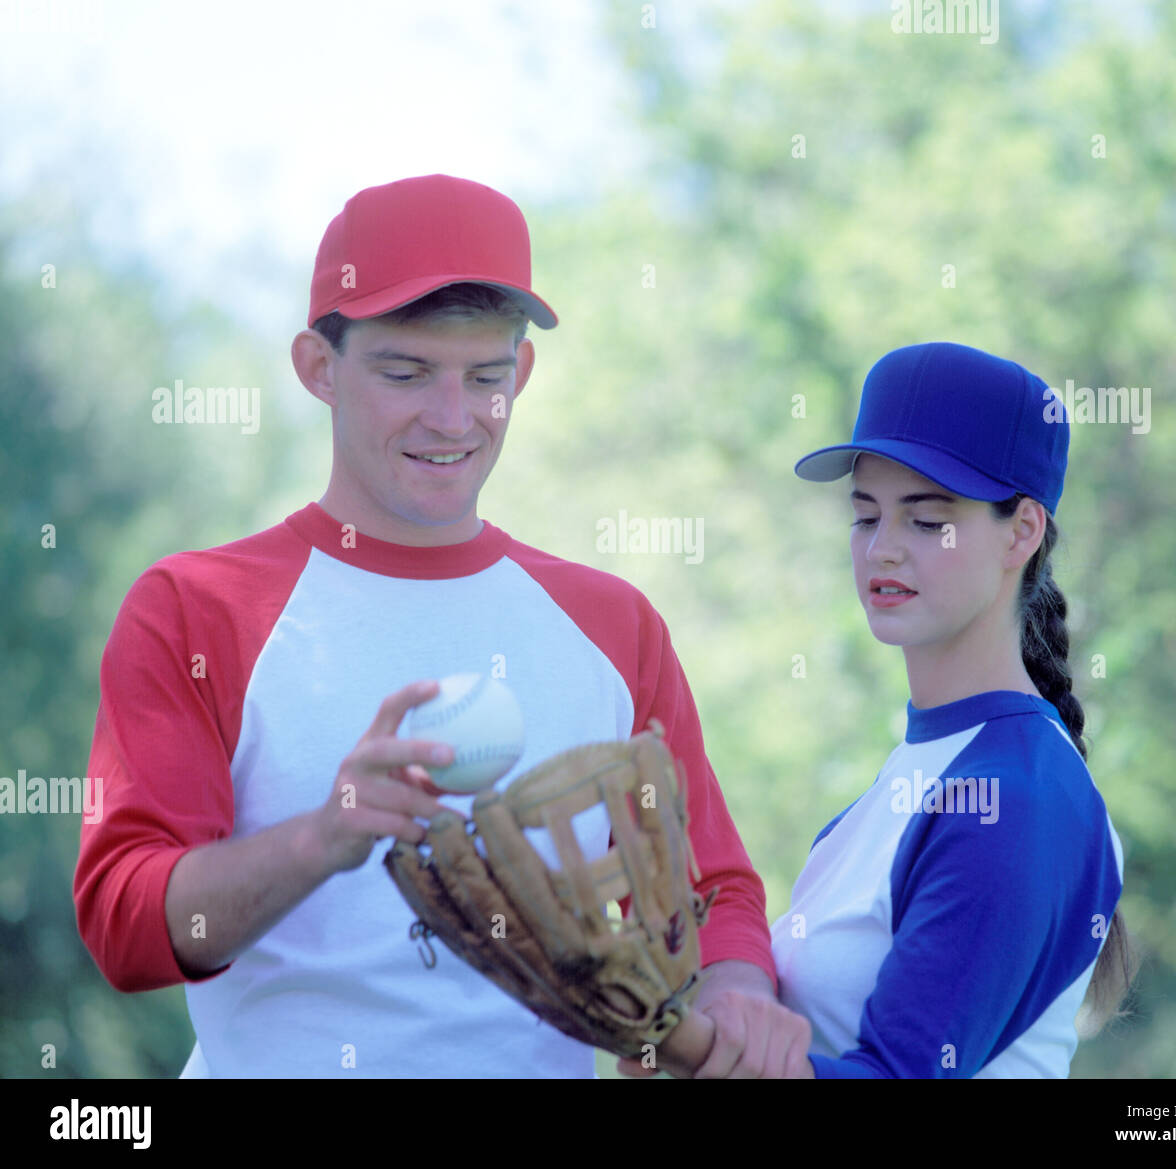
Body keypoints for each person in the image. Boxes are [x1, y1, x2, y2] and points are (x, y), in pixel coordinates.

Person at [73, 174, 809, 1078]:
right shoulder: (197, 605)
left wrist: (736, 991)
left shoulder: (614, 624)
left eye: (486, 376)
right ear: (318, 367)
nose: (453, 418)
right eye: (406, 371)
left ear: (523, 373)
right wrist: (324, 835)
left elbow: (716, 889)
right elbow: (125, 925)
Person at [732, 341, 1130, 1077]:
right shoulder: (905, 780)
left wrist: (701, 1054)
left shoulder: (1017, 797)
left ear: (1022, 530)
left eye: (926, 520)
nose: (882, 549)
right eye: (865, 516)